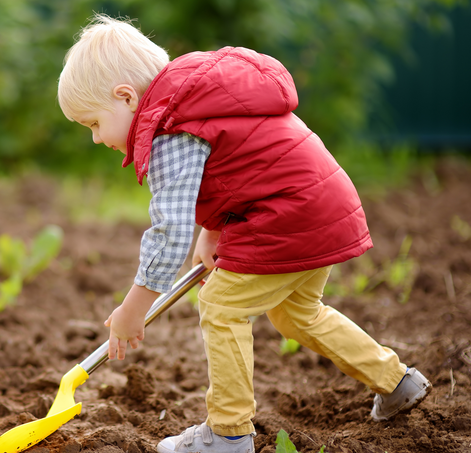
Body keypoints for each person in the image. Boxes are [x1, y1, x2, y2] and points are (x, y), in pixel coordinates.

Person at [57, 14, 432, 453]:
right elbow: (241, 166)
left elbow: (169, 230)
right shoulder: (198, 99)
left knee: (221, 307)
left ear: (125, 97)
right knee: (298, 314)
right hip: (317, 202)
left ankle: (228, 433)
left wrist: (133, 307)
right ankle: (396, 382)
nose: (97, 139)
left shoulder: (169, 132)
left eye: (93, 124)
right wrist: (213, 232)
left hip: (287, 215)